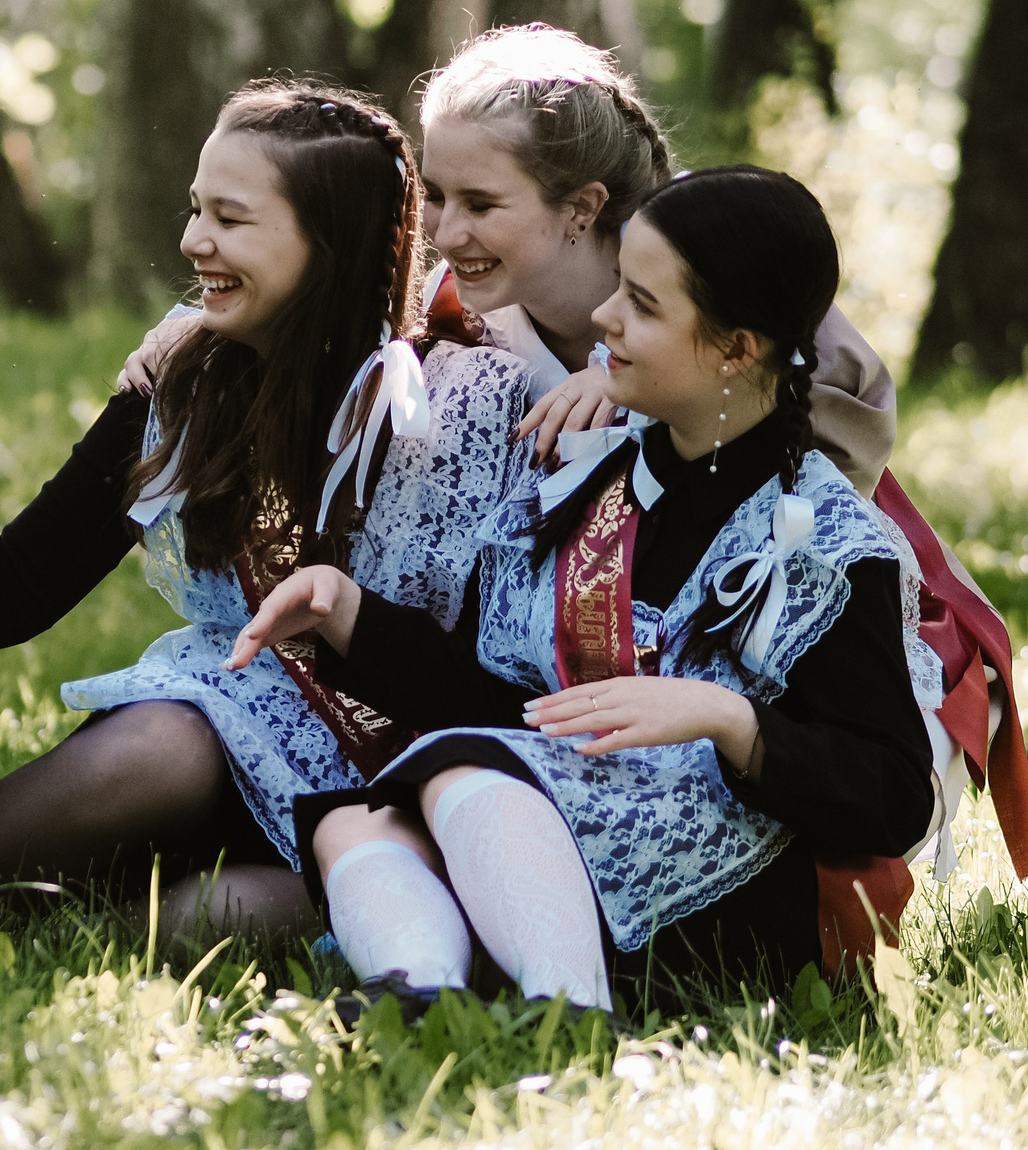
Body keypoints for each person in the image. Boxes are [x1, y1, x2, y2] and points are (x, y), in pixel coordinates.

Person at [123, 24, 1028, 925]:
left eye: (479, 203)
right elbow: (348, 347)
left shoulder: (724, 277)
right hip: (575, 712)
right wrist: (198, 329)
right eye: (434, 196)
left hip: (768, 686)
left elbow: (780, 491)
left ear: (582, 208)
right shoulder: (468, 324)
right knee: (341, 851)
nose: (443, 232)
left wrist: (639, 413)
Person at [231, 167, 938, 1013]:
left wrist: (728, 721)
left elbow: (895, 798)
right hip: (546, 825)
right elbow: (503, 703)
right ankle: (420, 1003)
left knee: (464, 782)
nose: (603, 320)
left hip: (724, 899)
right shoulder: (583, 484)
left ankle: (567, 1017)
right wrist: (348, 614)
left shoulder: (827, 543)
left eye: (641, 303)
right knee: (361, 821)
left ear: (736, 348)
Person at [0, 82, 531, 944]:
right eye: (194, 209)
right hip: (204, 756)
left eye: (231, 217)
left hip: (406, 787)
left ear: (331, 244)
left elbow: (492, 692)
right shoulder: (186, 374)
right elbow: (4, 607)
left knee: (200, 922)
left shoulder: (468, 405)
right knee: (167, 739)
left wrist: (341, 619)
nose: (192, 241)